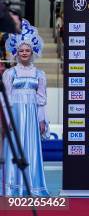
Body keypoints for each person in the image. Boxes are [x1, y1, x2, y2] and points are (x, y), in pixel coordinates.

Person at [2, 19, 49, 196]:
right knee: (14, 150)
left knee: (32, 150)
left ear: (32, 52)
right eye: (21, 50)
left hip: (31, 117)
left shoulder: (40, 74)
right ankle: (12, 188)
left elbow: (41, 100)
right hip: (15, 117)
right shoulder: (9, 73)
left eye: (27, 50)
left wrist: (42, 120)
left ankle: (32, 187)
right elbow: (5, 99)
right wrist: (8, 121)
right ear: (16, 52)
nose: (24, 53)